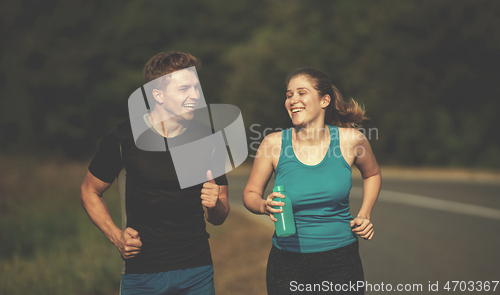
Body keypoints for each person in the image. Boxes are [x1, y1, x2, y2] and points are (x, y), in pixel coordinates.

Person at [80, 51, 230, 295]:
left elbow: (219, 215)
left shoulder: (209, 138)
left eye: (196, 87)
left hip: (197, 270)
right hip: (142, 272)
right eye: (184, 89)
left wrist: (215, 205)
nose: (195, 95)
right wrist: (116, 236)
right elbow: (89, 191)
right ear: (157, 95)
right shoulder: (123, 137)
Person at [243, 68, 381, 294]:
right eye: (289, 95)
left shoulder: (351, 140)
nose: (293, 100)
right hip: (287, 262)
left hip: (341, 260)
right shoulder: (272, 144)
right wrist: (263, 205)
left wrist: (365, 213)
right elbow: (250, 194)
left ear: (324, 100)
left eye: (301, 93)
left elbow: (372, 174)